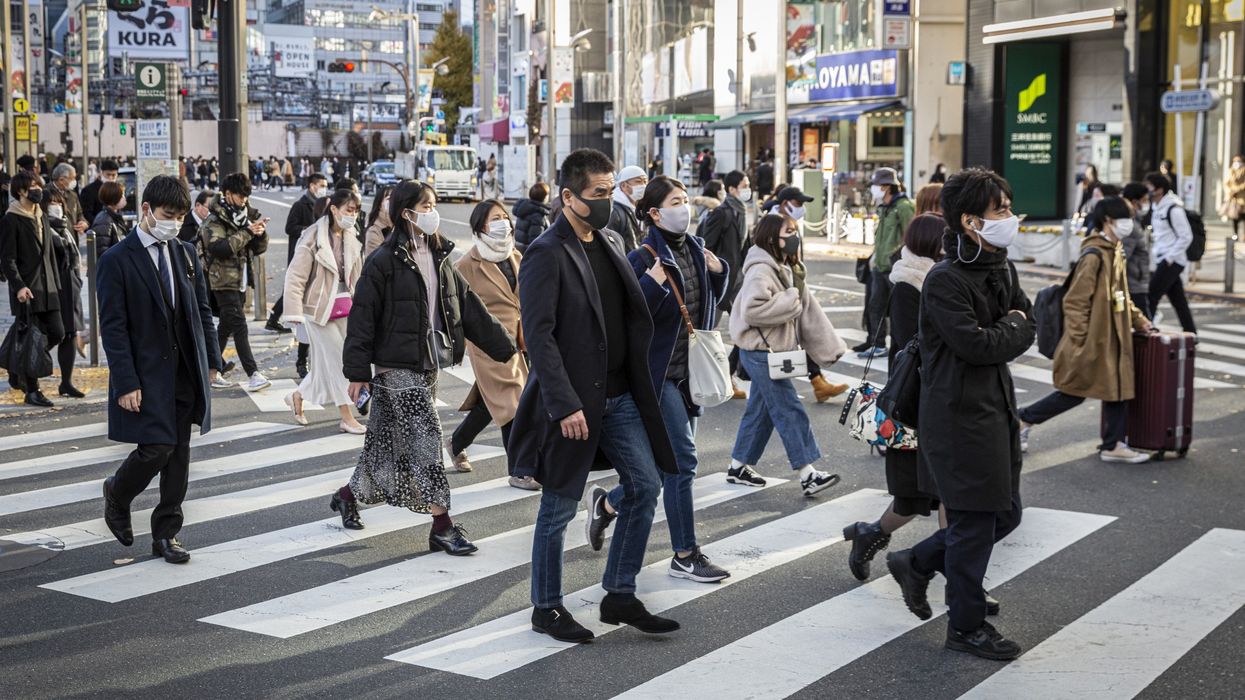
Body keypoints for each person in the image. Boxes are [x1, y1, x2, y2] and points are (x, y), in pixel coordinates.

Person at [511, 148, 681, 643]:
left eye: (612, 191)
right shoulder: (546, 252)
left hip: (621, 395)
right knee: (559, 506)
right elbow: (537, 336)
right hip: (575, 402)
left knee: (647, 486)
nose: (609, 201)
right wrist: (563, 404)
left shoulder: (608, 239)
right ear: (569, 197)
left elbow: (622, 314)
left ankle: (619, 593)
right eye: (599, 194)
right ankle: (546, 607)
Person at [886, 167, 1034, 661]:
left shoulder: (1000, 266)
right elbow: (976, 344)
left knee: (1005, 514)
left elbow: (1025, 323)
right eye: (1001, 210)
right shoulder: (945, 280)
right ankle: (965, 627)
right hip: (957, 415)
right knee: (973, 523)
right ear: (971, 221)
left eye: (1009, 206)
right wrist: (1008, 328)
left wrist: (1008, 328)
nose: (1010, 217)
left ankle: (918, 559)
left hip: (996, 408)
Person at [337, 180, 516, 555]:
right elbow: (363, 318)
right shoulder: (383, 261)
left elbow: (468, 306)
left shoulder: (440, 256)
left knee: (383, 445)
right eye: (427, 205)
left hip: (429, 362)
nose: (434, 212)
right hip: (394, 367)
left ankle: (347, 495)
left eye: (434, 204)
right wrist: (357, 373)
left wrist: (505, 348)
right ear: (407, 213)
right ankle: (442, 525)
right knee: (426, 437)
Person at [586, 175, 732, 582]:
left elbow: (710, 303)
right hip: (658, 375)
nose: (684, 208)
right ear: (654, 212)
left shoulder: (699, 249)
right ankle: (685, 553)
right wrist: (650, 285)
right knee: (683, 462)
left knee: (662, 464)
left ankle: (608, 505)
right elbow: (626, 320)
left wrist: (720, 272)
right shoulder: (641, 257)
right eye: (675, 201)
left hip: (691, 373)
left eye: (685, 199)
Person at [97, 175, 220, 564]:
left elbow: (201, 311)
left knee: (179, 454)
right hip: (146, 372)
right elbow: (113, 327)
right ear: (146, 210)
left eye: (182, 216)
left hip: (185, 370)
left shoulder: (184, 253)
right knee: (158, 447)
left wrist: (212, 360)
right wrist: (126, 381)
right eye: (169, 215)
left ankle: (167, 534)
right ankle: (117, 492)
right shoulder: (116, 260)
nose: (175, 223)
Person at [843, 215, 950, 579]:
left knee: (948, 494)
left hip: (937, 402)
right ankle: (870, 534)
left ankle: (961, 575)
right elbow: (911, 345)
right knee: (911, 499)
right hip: (913, 405)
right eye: (944, 239)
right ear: (930, 243)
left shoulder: (934, 278)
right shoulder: (909, 284)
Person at [1019, 197, 1154, 463]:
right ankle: (1024, 419)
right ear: (1108, 220)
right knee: (1074, 392)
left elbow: (1120, 295)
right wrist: (1080, 340)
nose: (1129, 223)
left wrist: (1139, 320)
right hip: (1094, 339)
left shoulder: (1113, 250)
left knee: (1117, 388)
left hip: (1110, 337)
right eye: (1125, 217)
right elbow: (1075, 301)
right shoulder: (1095, 255)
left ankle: (1112, 444)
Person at [726, 213, 847, 495]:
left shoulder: (782, 266)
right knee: (789, 408)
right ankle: (808, 474)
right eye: (788, 232)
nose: (795, 236)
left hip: (765, 351)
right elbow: (753, 310)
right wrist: (791, 298)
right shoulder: (761, 269)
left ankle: (737, 466)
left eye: (795, 230)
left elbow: (809, 311)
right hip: (760, 353)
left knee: (762, 411)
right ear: (771, 238)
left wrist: (828, 348)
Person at [449, 199, 539, 490]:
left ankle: (457, 442)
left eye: (504, 217)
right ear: (480, 227)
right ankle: (520, 470)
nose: (503, 223)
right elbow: (454, 307)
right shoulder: (466, 264)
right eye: (495, 219)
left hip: (520, 339)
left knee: (494, 402)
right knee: (513, 402)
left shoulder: (515, 254)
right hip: (488, 344)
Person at [282, 189, 367, 434]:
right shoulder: (312, 237)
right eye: (349, 209)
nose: (353, 215)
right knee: (339, 362)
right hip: (317, 311)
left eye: (356, 210)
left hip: (346, 306)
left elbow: (358, 276)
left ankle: (297, 396)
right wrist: (294, 315)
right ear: (334, 208)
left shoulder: (352, 236)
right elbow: (295, 276)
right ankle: (346, 416)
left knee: (324, 368)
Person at [200, 173, 272, 392]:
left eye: (246, 197)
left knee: (226, 326)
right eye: (240, 196)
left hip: (241, 279)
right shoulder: (215, 218)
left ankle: (211, 368)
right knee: (239, 324)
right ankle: (253, 373)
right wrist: (248, 232)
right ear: (228, 194)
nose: (243, 201)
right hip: (221, 280)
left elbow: (259, 249)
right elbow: (220, 248)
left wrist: (260, 233)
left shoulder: (248, 214)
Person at [1, 171, 65, 406]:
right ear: (20, 191)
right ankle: (32, 389)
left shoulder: (41, 215)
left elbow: (48, 252)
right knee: (31, 338)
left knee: (57, 332)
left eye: (39, 184)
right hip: (27, 288)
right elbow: (7, 259)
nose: (39, 189)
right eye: (33, 186)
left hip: (48, 286)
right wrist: (19, 286)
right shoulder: (11, 219)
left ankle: (19, 366)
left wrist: (57, 284)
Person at [700, 170, 750, 399]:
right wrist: (714, 273)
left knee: (748, 326)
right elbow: (706, 245)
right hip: (721, 282)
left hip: (738, 281)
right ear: (732, 189)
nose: (748, 188)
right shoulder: (722, 213)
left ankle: (727, 375)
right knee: (707, 332)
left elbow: (745, 247)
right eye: (744, 185)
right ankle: (702, 378)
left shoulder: (743, 211)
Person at [859, 168, 914, 359]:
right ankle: (877, 343)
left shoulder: (904, 206)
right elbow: (881, 236)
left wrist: (896, 256)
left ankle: (901, 346)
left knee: (898, 310)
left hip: (895, 267)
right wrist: (875, 256)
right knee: (876, 305)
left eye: (876, 185)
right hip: (880, 266)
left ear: (885, 186)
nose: (874, 190)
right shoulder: (883, 207)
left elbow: (909, 236)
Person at [43, 189, 87, 397]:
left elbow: (73, 255)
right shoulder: (41, 227)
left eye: (58, 202)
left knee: (70, 333)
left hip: (70, 284)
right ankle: (23, 371)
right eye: (51, 202)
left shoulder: (64, 227)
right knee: (54, 332)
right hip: (52, 286)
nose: (56, 206)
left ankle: (66, 382)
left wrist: (77, 279)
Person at [1145, 173, 1197, 333]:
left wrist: (1170, 257)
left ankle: (1146, 331)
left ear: (1160, 189)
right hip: (1162, 258)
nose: (1147, 191)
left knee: (1151, 296)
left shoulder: (1174, 209)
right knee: (1178, 300)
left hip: (1172, 260)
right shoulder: (1155, 207)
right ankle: (1191, 333)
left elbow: (1186, 236)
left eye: (1150, 187)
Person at [1119, 182, 1153, 317]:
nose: (1147, 204)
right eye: (1144, 200)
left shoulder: (1135, 222)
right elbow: (1123, 256)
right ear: (1134, 202)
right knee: (1145, 327)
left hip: (1136, 281)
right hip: (1134, 283)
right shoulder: (1130, 226)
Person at [608, 165, 646, 252]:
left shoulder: (642, 208)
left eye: (645, 181)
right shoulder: (615, 211)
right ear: (624, 185)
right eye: (638, 181)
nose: (643, 185)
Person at [91, 181, 130, 254]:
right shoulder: (104, 220)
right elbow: (102, 250)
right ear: (114, 198)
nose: (124, 199)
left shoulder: (114, 216)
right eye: (122, 196)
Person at [51, 163, 89, 239]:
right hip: (55, 239)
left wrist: (84, 223)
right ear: (61, 180)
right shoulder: (46, 194)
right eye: (72, 178)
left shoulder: (73, 195)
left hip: (72, 239)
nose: (74, 181)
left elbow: (80, 214)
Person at [513, 183, 550, 252]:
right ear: (544, 197)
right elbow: (535, 240)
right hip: (529, 252)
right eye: (547, 194)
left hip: (519, 248)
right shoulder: (538, 215)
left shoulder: (524, 208)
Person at [80, 159, 119, 224]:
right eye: (108, 175)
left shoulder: (117, 190)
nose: (111, 178)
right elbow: (87, 214)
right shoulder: (89, 190)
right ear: (101, 173)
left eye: (113, 175)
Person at [363, 185, 394, 256]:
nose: (393, 202)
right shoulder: (374, 231)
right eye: (389, 199)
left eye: (395, 199)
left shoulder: (400, 225)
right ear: (380, 205)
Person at [1223, 155, 1245, 235]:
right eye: (1235, 161)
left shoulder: (1244, 170)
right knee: (1234, 217)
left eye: (1238, 161)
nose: (1236, 163)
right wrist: (1230, 191)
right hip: (1233, 198)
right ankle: (1235, 234)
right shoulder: (1230, 171)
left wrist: (1237, 189)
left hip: (1242, 198)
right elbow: (1226, 183)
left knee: (1243, 217)